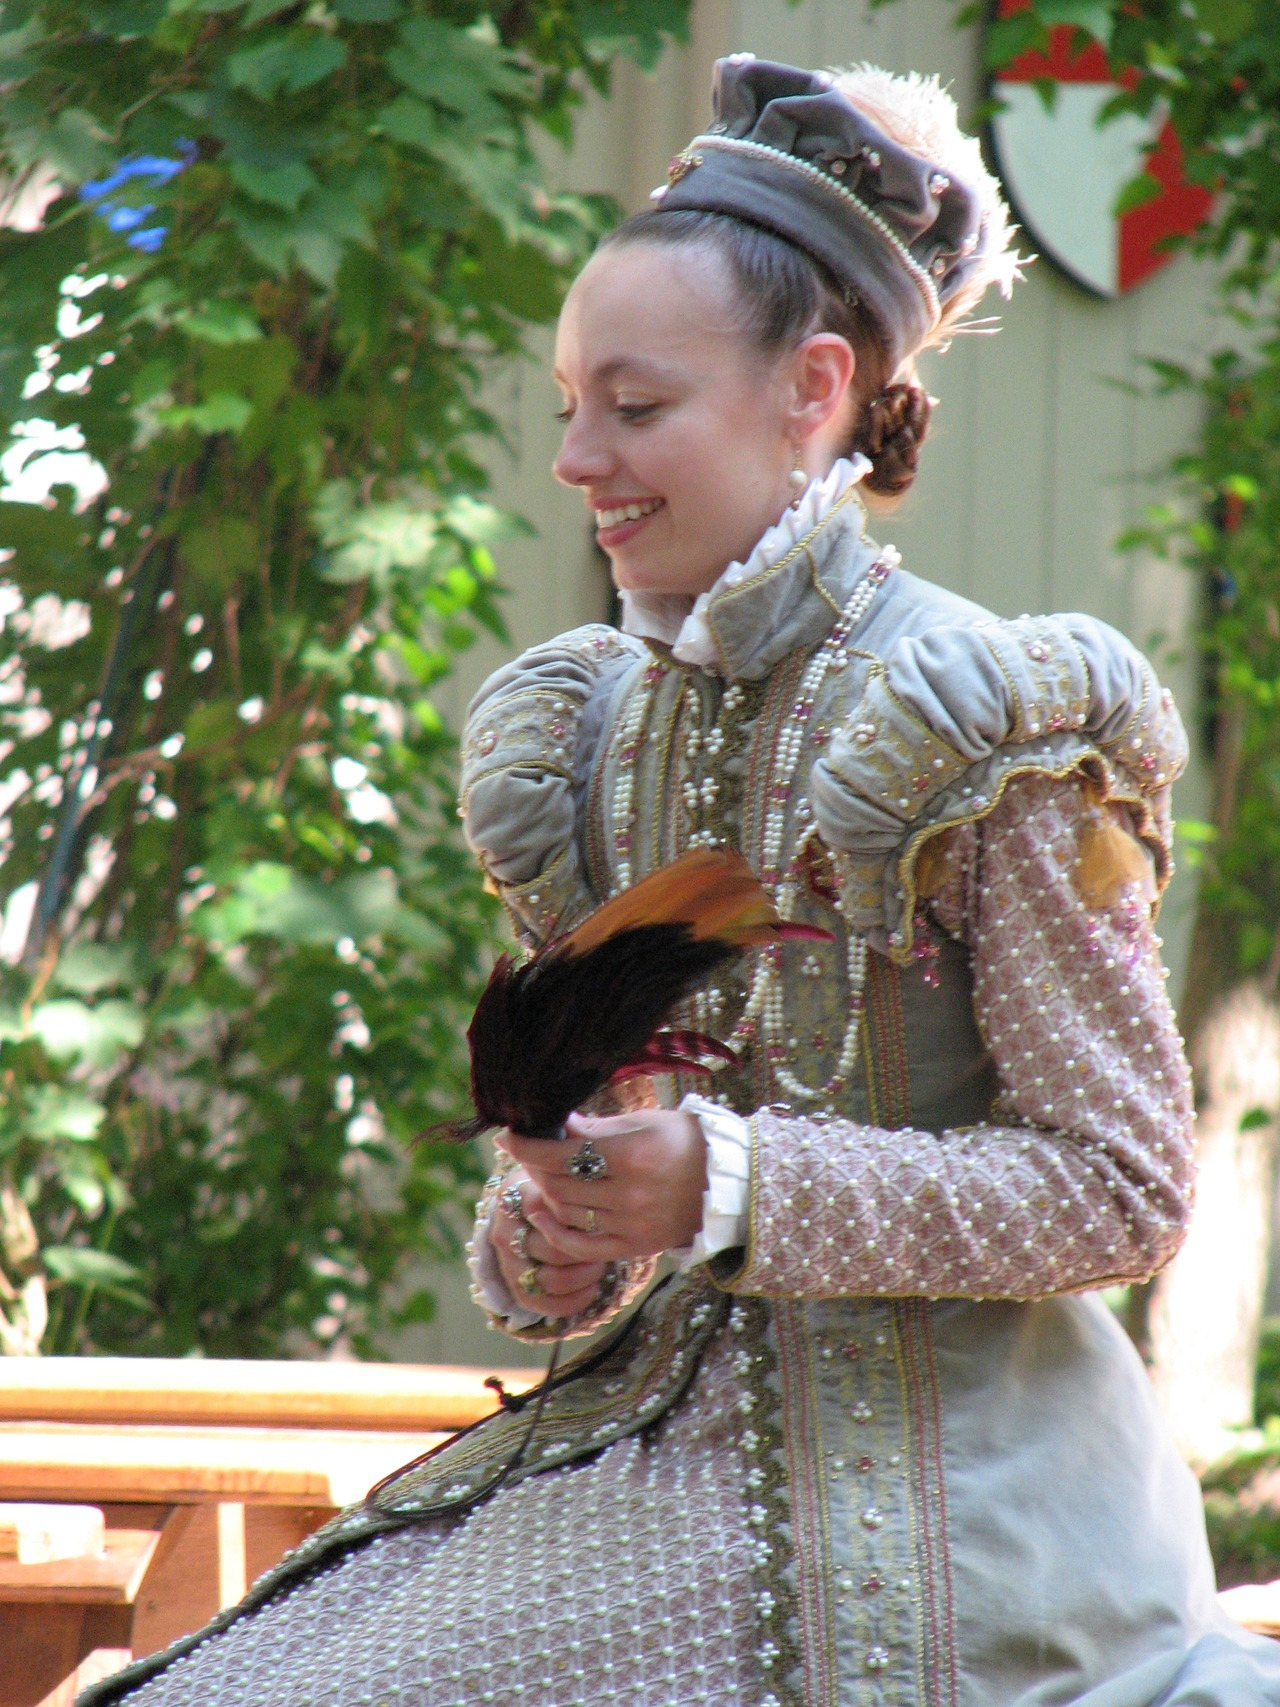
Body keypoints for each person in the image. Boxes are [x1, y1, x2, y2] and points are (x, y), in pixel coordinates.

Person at [84, 57, 1280, 1707]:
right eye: (570, 402)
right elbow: (625, 1139)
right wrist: (561, 1227)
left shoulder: (990, 721)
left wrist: (726, 1182)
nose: (579, 457)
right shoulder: (589, 736)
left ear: (815, 391)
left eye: (634, 409)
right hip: (658, 1469)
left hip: (961, 1535)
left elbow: (1124, 1192)